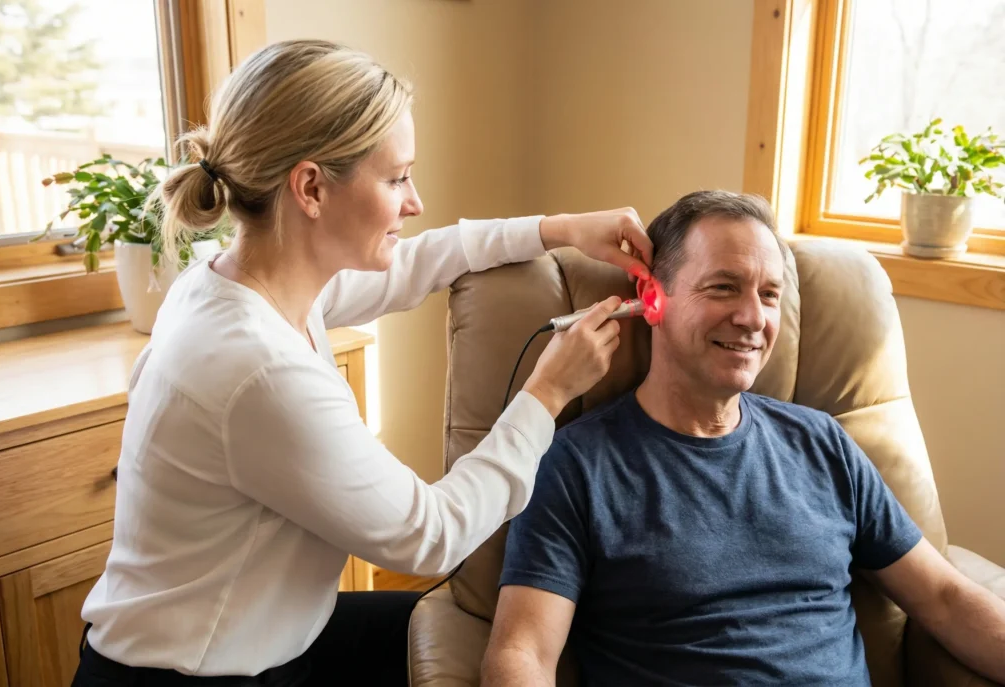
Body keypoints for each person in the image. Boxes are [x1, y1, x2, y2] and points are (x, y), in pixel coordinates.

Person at [72, 39, 656, 687]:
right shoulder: (258, 370)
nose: (416, 201)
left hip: (259, 634)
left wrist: (560, 228)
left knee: (448, 628)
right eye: (398, 177)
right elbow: (429, 535)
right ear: (312, 187)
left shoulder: (238, 280)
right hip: (192, 672)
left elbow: (416, 262)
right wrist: (547, 392)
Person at [482, 190, 1005, 686]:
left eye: (769, 294)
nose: (753, 317)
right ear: (651, 299)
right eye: (723, 287)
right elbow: (521, 652)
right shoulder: (576, 465)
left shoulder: (823, 443)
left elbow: (944, 597)